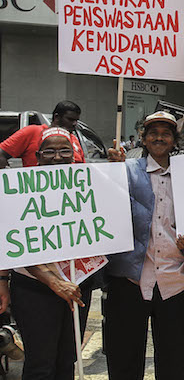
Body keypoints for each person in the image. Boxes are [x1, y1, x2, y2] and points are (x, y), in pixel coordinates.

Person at [104, 111, 184, 380]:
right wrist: (112, 171)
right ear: (143, 139)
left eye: (166, 133)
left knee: (173, 361)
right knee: (124, 359)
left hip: (176, 280)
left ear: (174, 140)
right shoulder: (125, 171)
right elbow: (108, 211)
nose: (159, 137)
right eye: (153, 133)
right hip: (130, 281)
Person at [9, 127, 92, 379]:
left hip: (76, 285)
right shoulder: (18, 190)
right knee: (40, 364)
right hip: (34, 287)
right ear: (37, 155)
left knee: (67, 360)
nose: (58, 157)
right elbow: (17, 247)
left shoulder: (88, 185)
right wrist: (53, 282)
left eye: (64, 150)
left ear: (74, 154)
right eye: (50, 151)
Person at [0, 100, 85, 167]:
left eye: (65, 151)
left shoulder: (74, 140)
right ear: (57, 117)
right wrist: (10, 176)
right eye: (70, 119)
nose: (74, 124)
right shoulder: (32, 132)